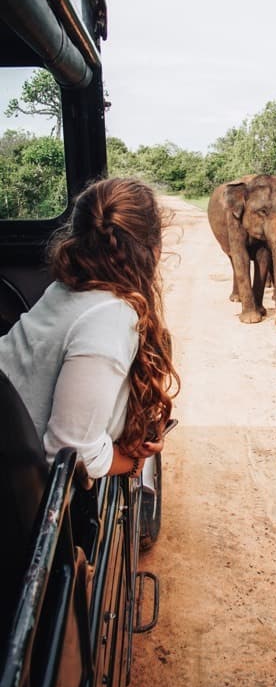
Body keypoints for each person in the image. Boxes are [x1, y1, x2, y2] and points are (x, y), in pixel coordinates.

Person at [0, 177, 179, 479]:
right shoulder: (111, 319)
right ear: (154, 249)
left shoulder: (65, 289)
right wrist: (133, 463)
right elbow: (70, 455)